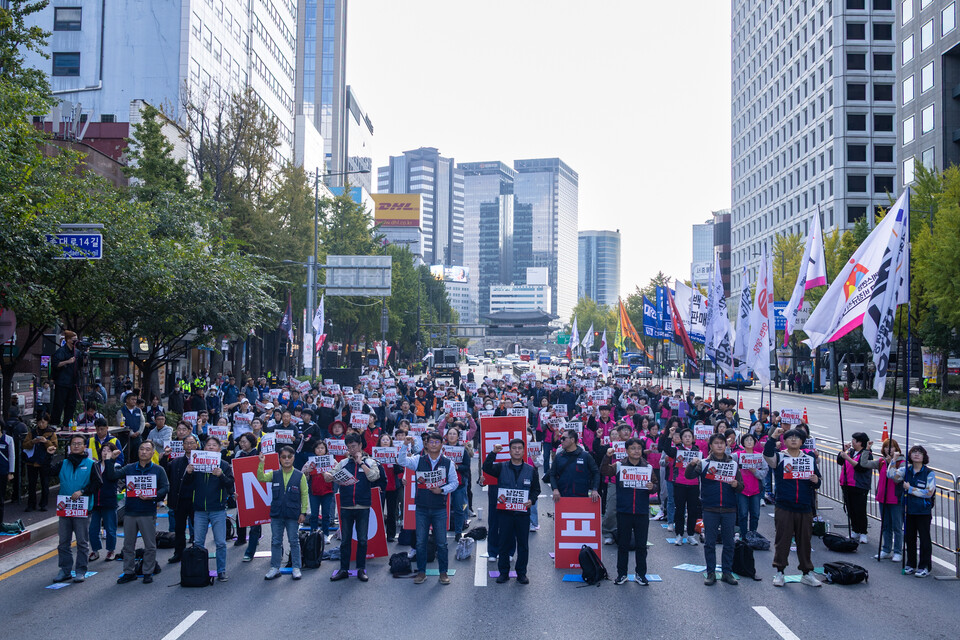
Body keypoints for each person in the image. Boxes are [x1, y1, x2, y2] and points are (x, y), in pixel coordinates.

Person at [763, 427, 822, 587]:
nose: (794, 440)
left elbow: (818, 481)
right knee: (783, 540)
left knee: (805, 541)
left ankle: (807, 573)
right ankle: (780, 572)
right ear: (785, 441)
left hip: (804, 506)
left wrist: (816, 480)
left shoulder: (808, 457)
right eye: (790, 437)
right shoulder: (780, 457)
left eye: (797, 437)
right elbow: (767, 454)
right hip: (784, 505)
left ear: (802, 441)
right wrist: (772, 437)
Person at [398, 430, 459, 585]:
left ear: (441, 444)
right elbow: (402, 461)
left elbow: (455, 482)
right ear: (426, 444)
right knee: (420, 542)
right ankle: (421, 572)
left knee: (441, 543)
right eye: (431, 442)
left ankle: (443, 573)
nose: (433, 445)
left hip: (439, 508)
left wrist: (442, 490)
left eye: (436, 442)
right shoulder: (419, 459)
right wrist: (405, 445)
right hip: (422, 507)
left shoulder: (448, 462)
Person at [105, 441, 170, 584]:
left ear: (153, 453)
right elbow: (111, 476)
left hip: (147, 512)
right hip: (130, 512)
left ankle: (148, 571)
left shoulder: (158, 470)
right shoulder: (129, 468)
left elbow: (165, 488)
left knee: (150, 545)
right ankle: (129, 572)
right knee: (128, 545)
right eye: (141, 449)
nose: (144, 452)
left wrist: (152, 496)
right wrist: (111, 460)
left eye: (147, 449)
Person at [685, 433, 744, 585]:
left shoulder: (733, 464)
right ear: (710, 446)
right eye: (716, 443)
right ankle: (710, 572)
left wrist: (736, 485)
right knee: (709, 543)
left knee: (729, 543)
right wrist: (692, 464)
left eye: (722, 443)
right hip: (710, 508)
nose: (719, 446)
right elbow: (689, 476)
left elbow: (741, 487)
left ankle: (727, 572)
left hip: (729, 509)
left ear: (726, 445)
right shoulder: (704, 463)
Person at [600, 436, 659, 585]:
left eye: (639, 448)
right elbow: (605, 471)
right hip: (624, 511)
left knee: (641, 546)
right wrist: (607, 456)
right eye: (632, 448)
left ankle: (640, 574)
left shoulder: (648, 467)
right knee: (623, 545)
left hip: (641, 512)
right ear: (626, 451)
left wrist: (653, 487)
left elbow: (656, 485)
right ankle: (622, 574)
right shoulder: (619, 465)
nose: (636, 451)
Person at [482, 439, 540, 584]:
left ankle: (521, 573)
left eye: (520, 448)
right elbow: (486, 467)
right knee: (503, 543)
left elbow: (536, 489)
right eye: (514, 448)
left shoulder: (531, 470)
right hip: (505, 513)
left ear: (523, 451)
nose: (517, 451)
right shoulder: (501, 467)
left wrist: (531, 500)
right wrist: (493, 453)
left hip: (522, 514)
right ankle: (504, 573)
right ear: (509, 451)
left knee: (523, 545)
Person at [325, 432, 380, 582]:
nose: (352, 450)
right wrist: (328, 475)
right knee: (345, 541)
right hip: (346, 506)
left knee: (362, 540)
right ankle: (343, 569)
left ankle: (361, 569)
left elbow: (374, 476)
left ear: (360, 445)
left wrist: (361, 462)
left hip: (363, 506)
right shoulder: (343, 463)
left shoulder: (370, 461)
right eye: (349, 447)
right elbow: (330, 474)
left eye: (354, 446)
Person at [184, 436, 234, 581]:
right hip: (199, 510)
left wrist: (221, 475)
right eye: (208, 445)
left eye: (214, 445)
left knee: (220, 543)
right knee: (198, 543)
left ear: (219, 449)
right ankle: (199, 570)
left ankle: (221, 571)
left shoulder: (224, 465)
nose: (210, 447)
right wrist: (188, 473)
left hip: (217, 509)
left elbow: (230, 483)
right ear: (204, 448)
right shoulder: (196, 463)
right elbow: (187, 484)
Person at [257, 446, 309, 580]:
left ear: (293, 458)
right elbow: (261, 478)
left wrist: (303, 512)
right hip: (277, 513)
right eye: (283, 457)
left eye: (289, 457)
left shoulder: (300, 475)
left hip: (293, 514)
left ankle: (296, 568)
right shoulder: (274, 474)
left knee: (294, 541)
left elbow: (304, 494)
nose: (286, 459)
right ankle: (274, 568)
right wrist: (262, 462)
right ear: (279, 459)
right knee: (275, 541)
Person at [55, 434, 100, 582]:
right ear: (70, 446)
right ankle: (65, 570)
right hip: (65, 508)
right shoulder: (64, 463)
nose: (76, 446)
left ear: (84, 447)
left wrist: (82, 491)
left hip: (82, 508)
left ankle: (80, 570)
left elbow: (97, 484)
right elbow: (47, 472)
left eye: (79, 443)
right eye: (73, 443)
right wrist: (48, 455)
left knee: (81, 541)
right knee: (63, 542)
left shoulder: (91, 463)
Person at [894, 445, 936, 577]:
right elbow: (892, 476)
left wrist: (910, 489)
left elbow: (929, 492)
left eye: (919, 453)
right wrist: (893, 461)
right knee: (909, 538)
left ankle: (925, 566)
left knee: (924, 539)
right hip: (908, 510)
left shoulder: (929, 473)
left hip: (923, 511)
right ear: (910, 456)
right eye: (914, 452)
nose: (916, 455)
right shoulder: (906, 470)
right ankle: (911, 563)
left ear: (924, 456)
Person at [660, 427, 701, 546]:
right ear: (681, 439)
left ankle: (691, 535)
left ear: (693, 438)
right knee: (680, 510)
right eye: (685, 437)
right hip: (679, 483)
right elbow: (666, 449)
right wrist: (669, 435)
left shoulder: (696, 451)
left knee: (693, 510)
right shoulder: (677, 450)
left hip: (693, 484)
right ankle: (678, 535)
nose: (687, 438)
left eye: (689, 436)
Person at [838, 432, 873, 544]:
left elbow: (861, 468)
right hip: (847, 484)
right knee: (850, 509)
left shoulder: (867, 454)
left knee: (860, 510)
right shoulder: (851, 451)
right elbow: (840, 461)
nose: (852, 442)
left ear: (860, 442)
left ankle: (863, 532)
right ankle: (855, 530)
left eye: (855, 440)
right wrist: (843, 451)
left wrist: (847, 457)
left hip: (859, 485)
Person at [88, 441, 120, 562]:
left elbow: (111, 477)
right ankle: (95, 551)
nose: (105, 453)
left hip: (109, 502)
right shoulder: (94, 465)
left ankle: (111, 550)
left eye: (108, 451)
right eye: (103, 450)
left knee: (110, 529)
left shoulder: (115, 466)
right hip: (95, 502)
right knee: (93, 529)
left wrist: (109, 461)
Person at [873, 439, 904, 562]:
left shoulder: (901, 463)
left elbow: (895, 478)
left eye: (892, 447)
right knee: (886, 526)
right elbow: (864, 464)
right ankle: (886, 549)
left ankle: (897, 551)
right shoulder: (881, 462)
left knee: (897, 526)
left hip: (895, 499)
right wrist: (867, 450)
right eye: (886, 447)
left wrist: (893, 461)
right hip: (883, 497)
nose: (889, 449)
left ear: (896, 449)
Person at [549, 429, 600, 502]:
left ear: (572, 440)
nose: (561, 441)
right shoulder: (558, 457)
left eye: (563, 438)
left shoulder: (586, 456)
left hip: (582, 497)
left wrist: (595, 489)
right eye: (561, 438)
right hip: (562, 497)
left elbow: (596, 473)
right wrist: (555, 489)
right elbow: (552, 474)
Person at [233, 433, 262, 559]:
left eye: (244, 442)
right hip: (242, 489)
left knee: (256, 518)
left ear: (251, 442)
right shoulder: (239, 454)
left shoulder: (258, 454)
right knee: (240, 515)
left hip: (257, 489)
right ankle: (241, 538)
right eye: (241, 442)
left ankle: (251, 550)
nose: (242, 444)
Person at [732, 433, 766, 535]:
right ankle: (743, 535)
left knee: (755, 514)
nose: (749, 442)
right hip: (742, 490)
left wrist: (755, 471)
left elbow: (764, 472)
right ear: (743, 442)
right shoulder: (737, 455)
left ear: (755, 442)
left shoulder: (759, 456)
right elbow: (727, 460)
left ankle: (753, 533)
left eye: (751, 440)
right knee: (742, 514)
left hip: (755, 490)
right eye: (747, 440)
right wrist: (728, 447)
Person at [23, 412, 57, 512]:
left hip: (45, 461)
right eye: (39, 422)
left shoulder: (51, 433)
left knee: (45, 483)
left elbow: (54, 447)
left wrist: (46, 441)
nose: (41, 424)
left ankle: (44, 504)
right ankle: (31, 504)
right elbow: (25, 445)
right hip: (32, 461)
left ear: (47, 422)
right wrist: (32, 442)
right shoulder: (32, 432)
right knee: (32, 484)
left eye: (43, 422)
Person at [302, 440, 335, 541]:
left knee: (326, 515)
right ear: (314, 450)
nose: (320, 450)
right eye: (318, 448)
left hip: (328, 491)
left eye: (322, 448)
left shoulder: (332, 461)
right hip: (314, 492)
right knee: (314, 515)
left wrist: (328, 473)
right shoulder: (309, 462)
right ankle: (313, 534)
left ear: (325, 450)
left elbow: (337, 472)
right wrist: (308, 471)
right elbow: (303, 476)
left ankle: (325, 534)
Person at [50, 331, 82, 428]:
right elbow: (55, 364)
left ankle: (67, 424)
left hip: (73, 382)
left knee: (71, 404)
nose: (75, 342)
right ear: (68, 340)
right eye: (73, 340)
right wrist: (67, 361)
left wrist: (85, 355)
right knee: (59, 403)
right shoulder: (61, 351)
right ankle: (54, 423)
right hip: (62, 382)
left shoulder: (77, 352)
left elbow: (81, 364)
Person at [0, 422, 13, 524]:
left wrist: (11, 472)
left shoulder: (8, 439)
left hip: (3, 472)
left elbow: (12, 456)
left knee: (0, 498)